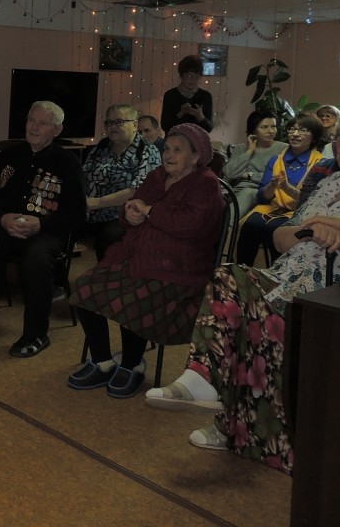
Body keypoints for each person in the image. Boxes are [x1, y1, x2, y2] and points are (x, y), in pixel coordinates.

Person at [145, 105, 340, 474]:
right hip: (287, 282)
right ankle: (219, 402)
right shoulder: (330, 183)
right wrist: (309, 231)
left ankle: (220, 406)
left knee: (242, 299)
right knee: (231, 282)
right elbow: (280, 237)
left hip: (339, 301)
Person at [67, 124, 223, 398]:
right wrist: (131, 214)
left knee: (132, 299)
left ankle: (132, 364)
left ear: (196, 156)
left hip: (180, 269)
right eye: (167, 149)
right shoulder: (157, 176)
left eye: (178, 150)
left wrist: (149, 211)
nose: (168, 155)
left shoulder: (206, 184)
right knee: (84, 286)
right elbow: (132, 209)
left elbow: (190, 224)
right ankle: (102, 361)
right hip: (137, 257)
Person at [0, 101, 86, 358]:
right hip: (5, 227)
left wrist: (41, 224)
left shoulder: (68, 163)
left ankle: (36, 335)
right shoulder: (8, 156)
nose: (33, 127)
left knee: (36, 261)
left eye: (42, 123)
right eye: (31, 121)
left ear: (57, 130)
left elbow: (77, 214)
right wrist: (1, 219)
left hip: (45, 232)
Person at [235, 113, 324, 265]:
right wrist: (272, 186)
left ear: (314, 137)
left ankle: (277, 273)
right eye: (292, 129)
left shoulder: (320, 164)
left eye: (302, 130)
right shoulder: (276, 160)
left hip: (300, 213)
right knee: (250, 224)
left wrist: (287, 188)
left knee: (276, 229)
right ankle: (241, 270)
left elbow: (311, 201)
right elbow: (262, 198)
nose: (295, 134)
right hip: (272, 208)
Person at [83, 104, 161, 260]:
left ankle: (106, 273)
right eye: (109, 123)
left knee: (109, 236)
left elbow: (139, 191)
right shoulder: (101, 147)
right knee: (57, 224)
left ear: (134, 125)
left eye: (119, 122)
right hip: (90, 210)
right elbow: (84, 175)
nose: (112, 127)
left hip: (124, 215)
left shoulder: (147, 151)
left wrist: (97, 202)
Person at [223, 110, 288, 217]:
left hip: (262, 192)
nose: (271, 131)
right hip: (236, 191)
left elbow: (277, 177)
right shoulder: (240, 148)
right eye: (264, 127)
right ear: (254, 130)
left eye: (273, 126)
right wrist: (249, 151)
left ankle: (227, 226)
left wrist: (248, 175)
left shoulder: (283, 149)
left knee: (247, 193)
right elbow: (229, 173)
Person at [160, 54, 213, 133]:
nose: (192, 80)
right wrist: (181, 113)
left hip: (196, 140)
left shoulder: (205, 96)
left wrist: (200, 117)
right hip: (174, 139)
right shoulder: (170, 95)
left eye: (197, 76)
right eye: (189, 75)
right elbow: (165, 126)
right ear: (181, 75)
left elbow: (209, 128)